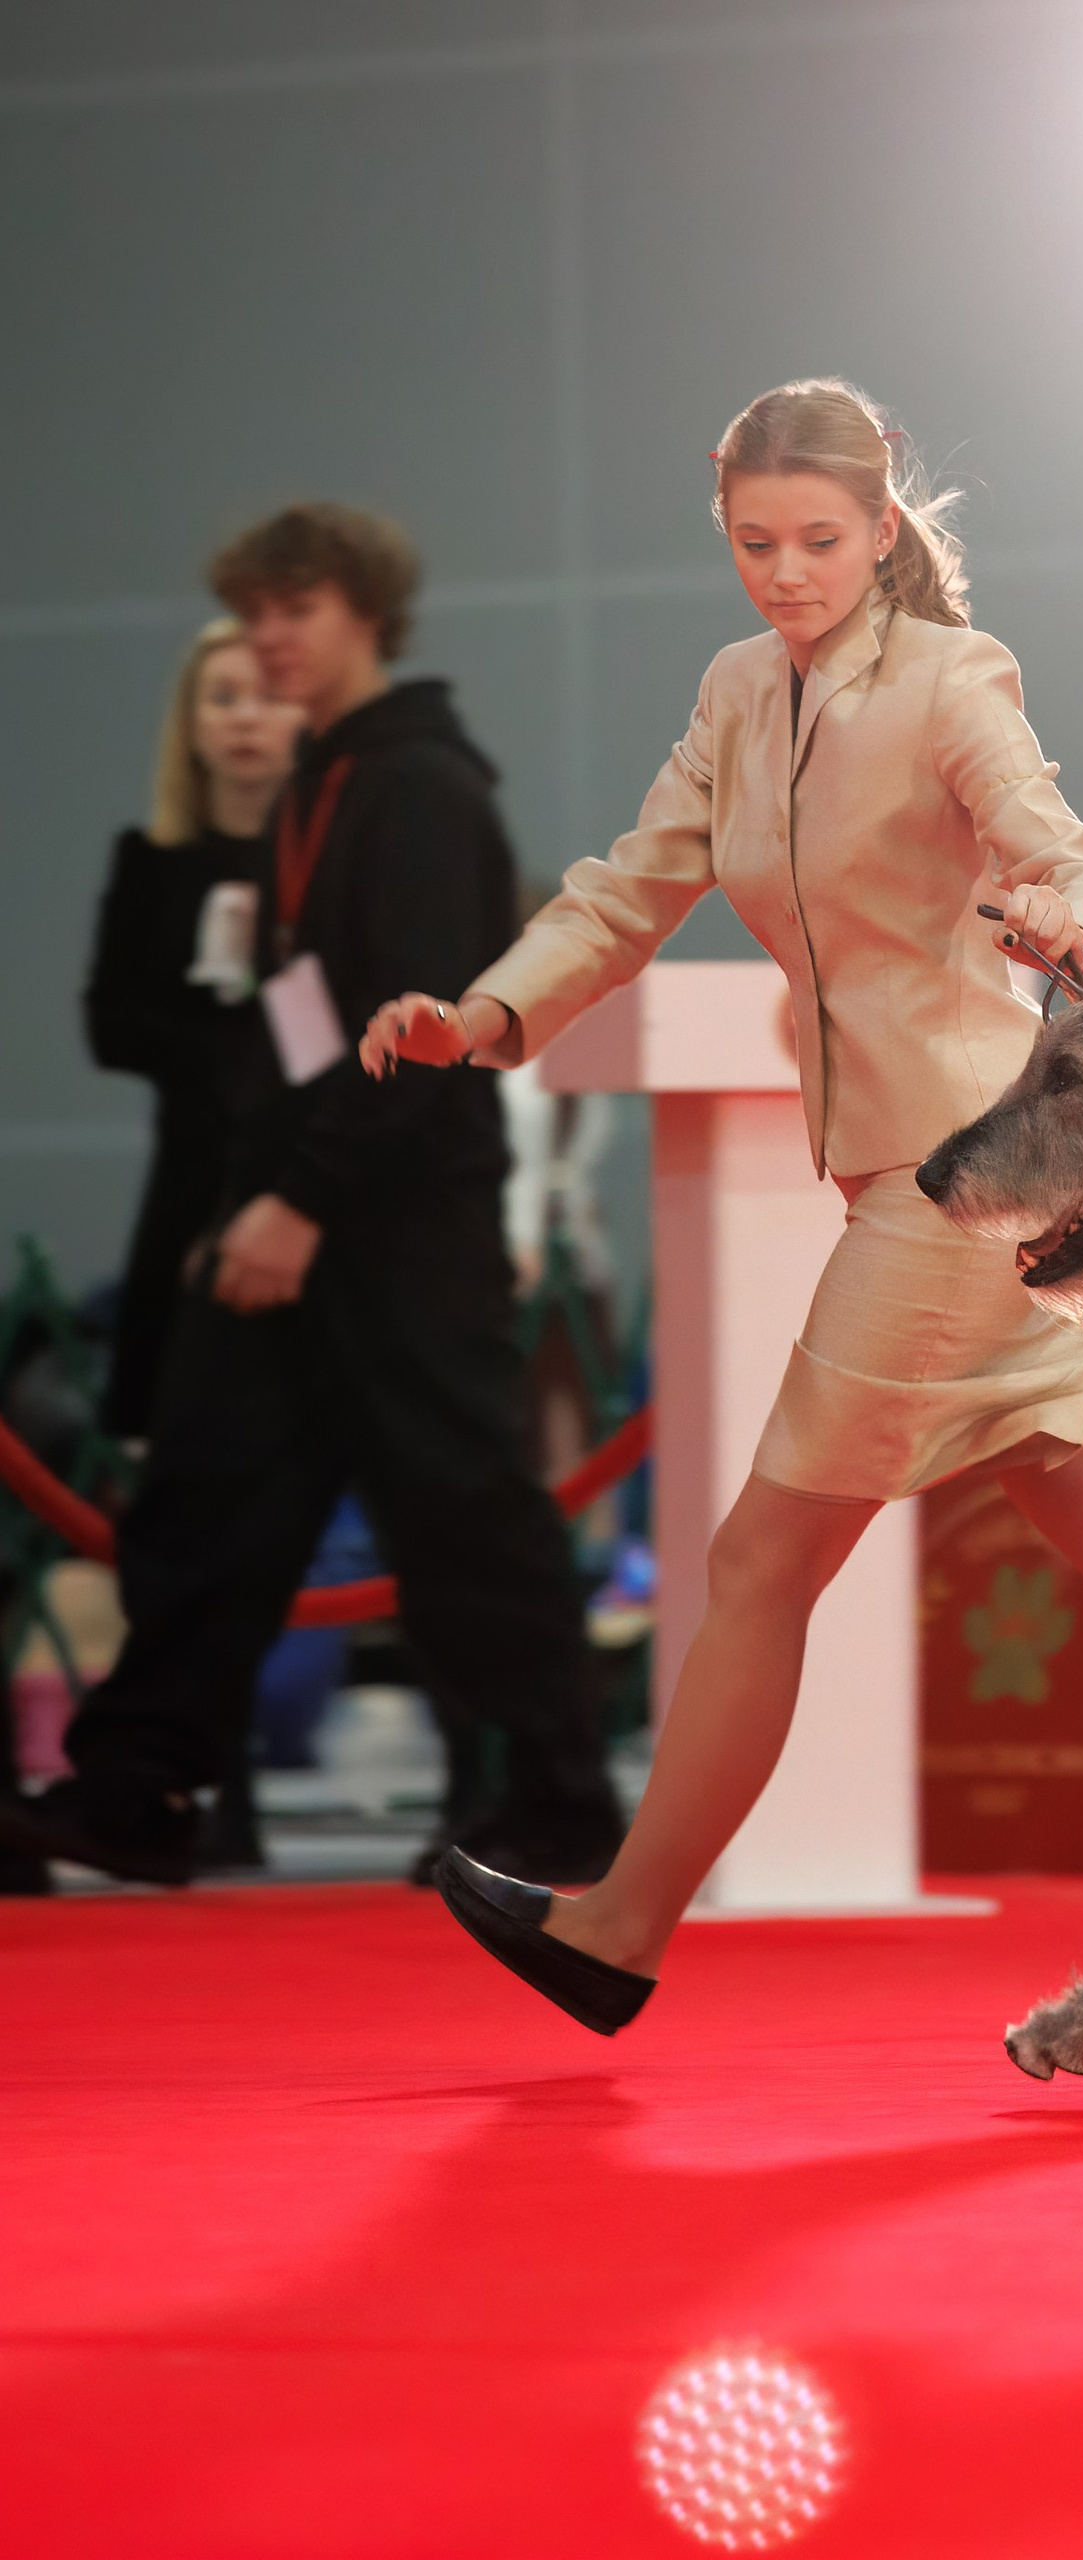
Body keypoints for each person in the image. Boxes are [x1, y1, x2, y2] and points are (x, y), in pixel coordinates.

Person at [363, 378, 1083, 2030]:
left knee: (757, 1561)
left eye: (819, 540)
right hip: (935, 1178)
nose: (786, 571)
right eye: (755, 542)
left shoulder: (955, 682)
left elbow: (1074, 852)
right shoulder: (741, 692)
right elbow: (627, 886)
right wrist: (491, 1013)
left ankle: (618, 1932)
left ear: (884, 533)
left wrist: (1073, 926)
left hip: (971, 1182)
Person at [0, 505, 625, 1888]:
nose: (269, 637)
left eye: (296, 610)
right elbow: (302, 1026)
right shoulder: (323, 783)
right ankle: (138, 1792)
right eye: (255, 612)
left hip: (403, 1222)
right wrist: (259, 1198)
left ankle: (566, 1808)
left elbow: (411, 1032)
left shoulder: (415, 789)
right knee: (207, 1503)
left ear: (366, 617)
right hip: (313, 1206)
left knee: (467, 1513)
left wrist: (299, 1199)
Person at [83, 620, 299, 1438]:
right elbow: (109, 1025)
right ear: (193, 724)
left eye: (267, 697)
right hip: (185, 1165)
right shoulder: (149, 859)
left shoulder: (327, 859)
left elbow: (327, 1036)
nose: (245, 718)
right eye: (223, 699)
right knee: (161, 1423)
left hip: (295, 1169)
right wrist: (225, 1041)